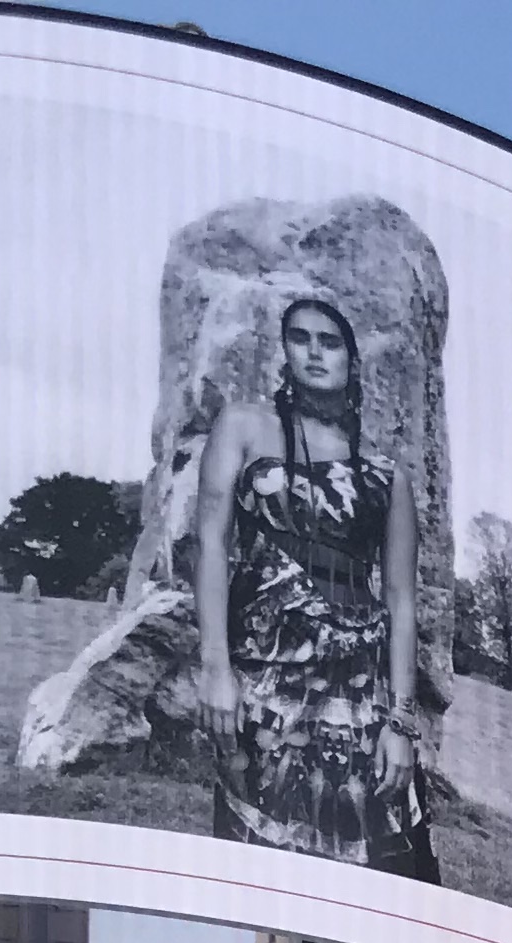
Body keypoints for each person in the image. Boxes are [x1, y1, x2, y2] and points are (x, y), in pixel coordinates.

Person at [193, 292, 436, 878]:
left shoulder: (385, 473)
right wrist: (216, 669)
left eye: (330, 342)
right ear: (285, 350)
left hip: (359, 687)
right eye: (301, 339)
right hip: (266, 675)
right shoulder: (245, 426)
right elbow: (209, 545)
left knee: (379, 866)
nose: (314, 352)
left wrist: (401, 725)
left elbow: (402, 602)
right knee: (259, 859)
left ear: (352, 361)